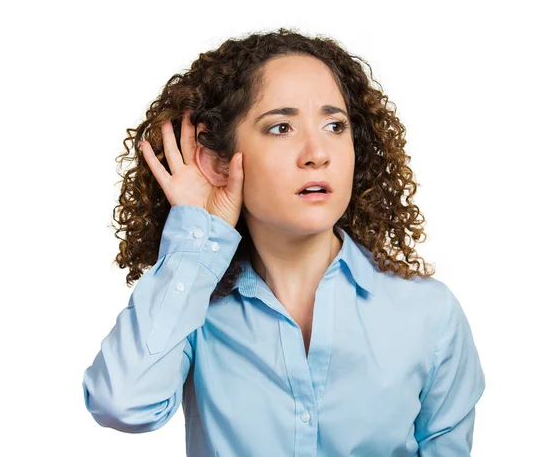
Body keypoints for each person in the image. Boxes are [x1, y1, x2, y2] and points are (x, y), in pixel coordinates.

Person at [82, 28, 486, 456]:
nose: (317, 153)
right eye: (280, 127)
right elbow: (122, 406)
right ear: (216, 161)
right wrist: (198, 233)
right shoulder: (192, 311)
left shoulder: (430, 313)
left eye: (335, 125)